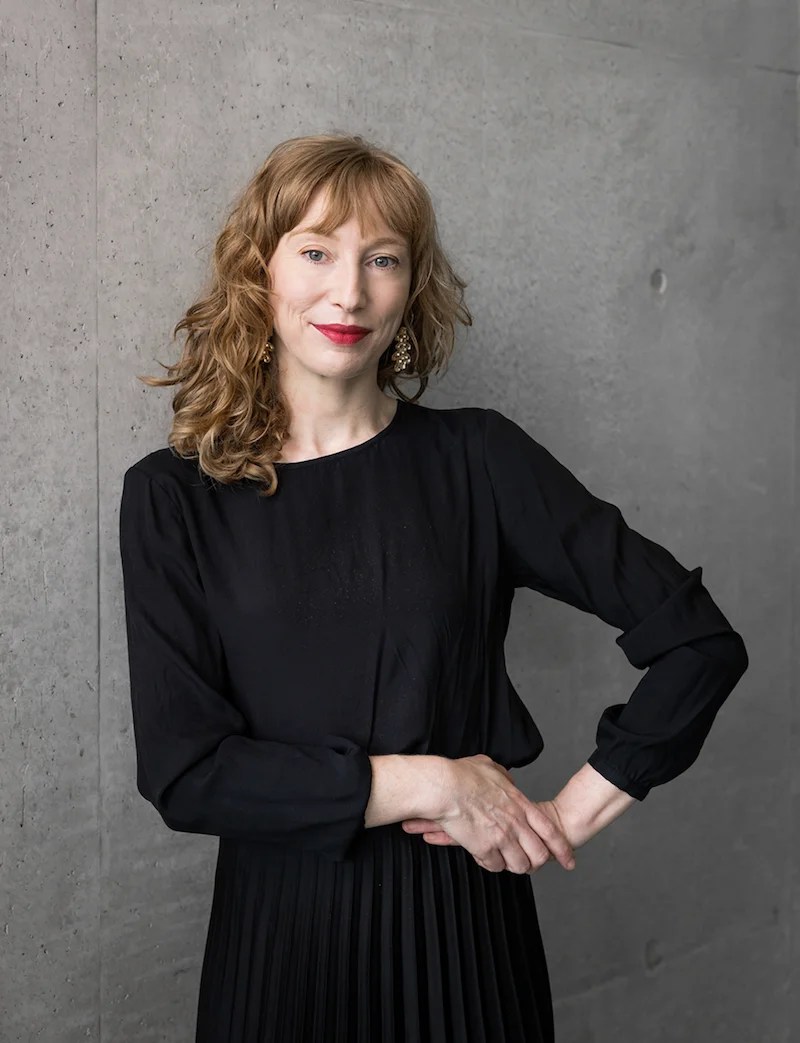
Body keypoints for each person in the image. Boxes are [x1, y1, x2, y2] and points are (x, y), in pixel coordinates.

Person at [118, 132, 749, 1043]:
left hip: (464, 950)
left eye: (382, 259)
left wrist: (568, 812)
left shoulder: (478, 460)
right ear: (260, 271)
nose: (349, 291)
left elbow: (699, 643)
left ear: (410, 287)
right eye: (316, 251)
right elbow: (186, 772)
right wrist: (433, 782)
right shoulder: (173, 497)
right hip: (275, 951)